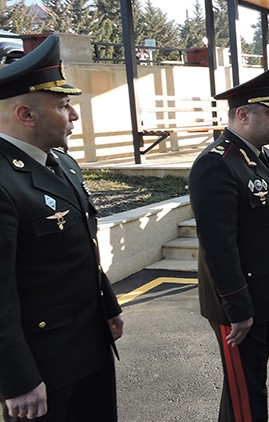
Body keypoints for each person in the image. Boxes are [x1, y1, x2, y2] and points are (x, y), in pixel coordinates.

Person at [0, 35, 124, 421]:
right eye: (64, 105)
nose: (73, 115)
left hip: (90, 347)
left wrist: (108, 305)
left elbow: (82, 246)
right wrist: (17, 379)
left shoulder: (63, 164)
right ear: (25, 115)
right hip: (42, 370)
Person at [189, 64, 269, 422]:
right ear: (243, 114)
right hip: (238, 304)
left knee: (250, 383)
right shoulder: (215, 165)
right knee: (244, 390)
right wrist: (238, 307)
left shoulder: (260, 156)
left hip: (263, 294)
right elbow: (218, 244)